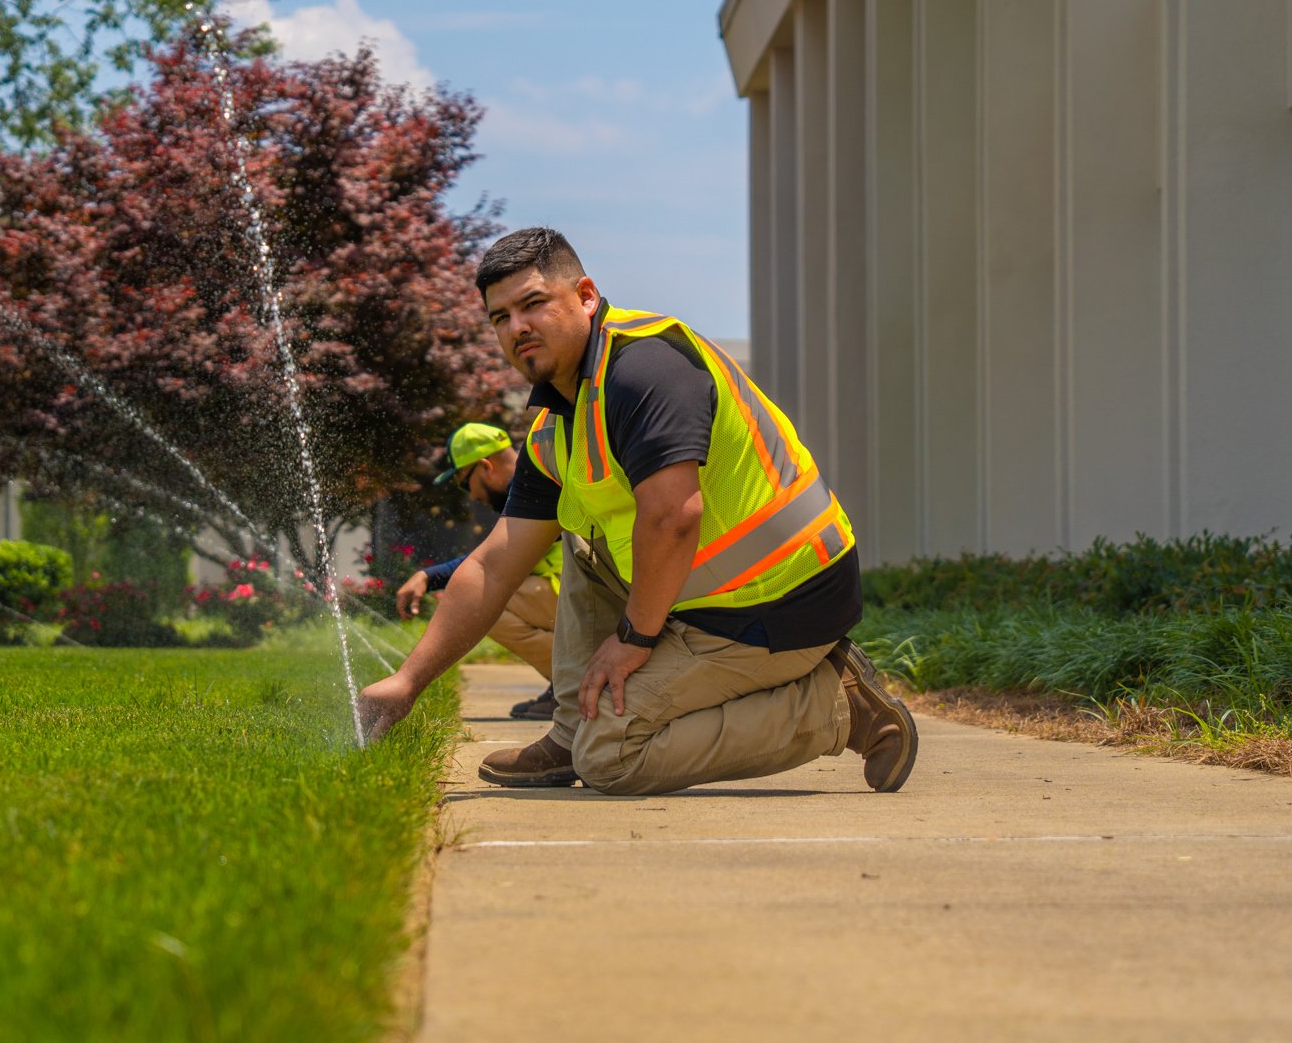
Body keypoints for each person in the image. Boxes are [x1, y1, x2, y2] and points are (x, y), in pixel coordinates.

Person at [356, 227, 918, 795]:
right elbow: (493, 565)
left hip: (786, 601)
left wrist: (633, 638)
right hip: (714, 598)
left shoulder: (645, 370)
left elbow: (675, 516)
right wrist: (407, 682)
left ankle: (837, 702)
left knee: (611, 758)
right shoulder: (556, 429)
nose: (517, 327)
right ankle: (570, 729)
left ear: (585, 296)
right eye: (499, 317)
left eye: (533, 303)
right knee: (578, 537)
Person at [395, 423, 562, 720]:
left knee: (485, 598)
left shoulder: (535, 487)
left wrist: (429, 576)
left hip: (589, 594)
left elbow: (495, 562)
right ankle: (568, 682)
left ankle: (572, 685)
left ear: (485, 467)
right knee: (484, 592)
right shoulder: (542, 471)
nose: (471, 496)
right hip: (584, 592)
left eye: (463, 483)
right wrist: (430, 576)